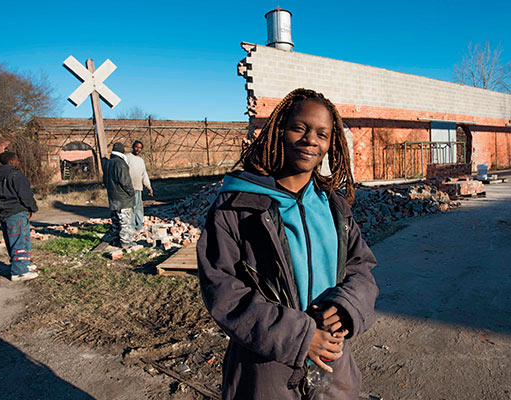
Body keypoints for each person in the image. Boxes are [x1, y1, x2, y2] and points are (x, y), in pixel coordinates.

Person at [197, 88, 379, 399]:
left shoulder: (334, 206)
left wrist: (347, 307)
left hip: (334, 366)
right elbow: (222, 288)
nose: (311, 139)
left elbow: (361, 267)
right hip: (265, 368)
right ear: (279, 132)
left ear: (330, 145)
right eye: (299, 128)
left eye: (322, 134)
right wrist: (301, 337)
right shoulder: (237, 206)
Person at [0, 152, 39, 282]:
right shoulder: (16, 176)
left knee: (16, 240)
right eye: (17, 160)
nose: (18, 162)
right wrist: (32, 208)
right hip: (16, 211)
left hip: (4, 212)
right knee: (20, 240)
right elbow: (25, 194)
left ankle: (23, 264)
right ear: (12, 161)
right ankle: (19, 272)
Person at [102, 142, 136, 248]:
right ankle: (126, 242)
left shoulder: (108, 164)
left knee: (116, 221)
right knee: (125, 221)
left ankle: (116, 240)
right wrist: (131, 192)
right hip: (123, 199)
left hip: (113, 197)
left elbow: (105, 181)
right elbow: (125, 182)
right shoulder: (120, 164)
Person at [126, 140, 153, 232]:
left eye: (140, 148)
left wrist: (148, 187)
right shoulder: (127, 158)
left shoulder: (141, 160)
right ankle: (132, 226)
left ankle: (139, 225)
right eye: (136, 147)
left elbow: (144, 174)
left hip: (138, 187)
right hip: (129, 187)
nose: (138, 149)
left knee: (138, 207)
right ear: (133, 147)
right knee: (131, 208)